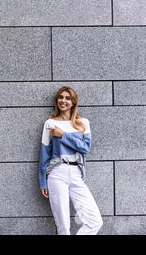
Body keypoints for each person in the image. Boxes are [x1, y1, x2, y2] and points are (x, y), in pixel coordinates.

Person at [39, 86, 103, 235]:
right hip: (57, 173)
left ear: (73, 102)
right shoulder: (50, 123)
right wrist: (43, 181)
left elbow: (85, 148)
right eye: (61, 97)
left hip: (76, 173)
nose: (63, 101)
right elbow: (44, 155)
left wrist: (63, 135)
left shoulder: (83, 123)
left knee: (95, 221)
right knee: (63, 227)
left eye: (68, 98)